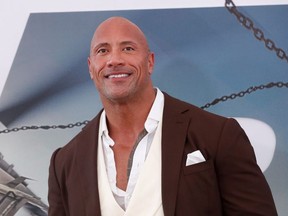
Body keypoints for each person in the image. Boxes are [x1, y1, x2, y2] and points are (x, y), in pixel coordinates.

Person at [48, 17, 277, 216]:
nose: (114, 59)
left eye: (128, 48)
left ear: (150, 62)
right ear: (91, 67)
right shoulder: (65, 163)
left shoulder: (217, 135)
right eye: (102, 50)